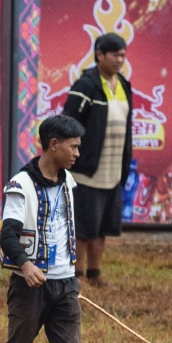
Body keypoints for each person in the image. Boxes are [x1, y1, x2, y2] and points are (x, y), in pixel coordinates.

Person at [0, 114, 95, 343]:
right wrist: (25, 264)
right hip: (29, 286)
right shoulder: (21, 184)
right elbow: (7, 236)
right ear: (53, 145)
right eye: (73, 146)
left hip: (65, 284)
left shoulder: (68, 182)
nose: (78, 153)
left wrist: (72, 277)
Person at [62, 33, 134, 290]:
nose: (120, 60)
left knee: (102, 226)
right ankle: (76, 273)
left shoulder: (124, 85)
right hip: (87, 171)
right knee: (83, 226)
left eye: (123, 55)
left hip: (113, 170)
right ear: (100, 55)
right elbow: (68, 122)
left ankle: (95, 271)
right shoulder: (86, 85)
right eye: (115, 55)